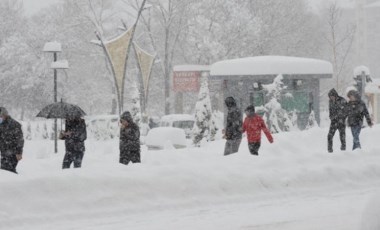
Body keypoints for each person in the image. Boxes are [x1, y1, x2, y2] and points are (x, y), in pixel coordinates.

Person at [0, 107, 24, 173]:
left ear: (5, 115)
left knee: (8, 170)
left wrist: (19, 152)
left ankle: (14, 182)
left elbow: (20, 140)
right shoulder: (1, 125)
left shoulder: (14, 125)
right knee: (5, 170)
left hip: (13, 153)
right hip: (4, 152)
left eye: (0, 116)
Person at [327, 88, 347, 153]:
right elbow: (330, 111)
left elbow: (347, 111)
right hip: (333, 122)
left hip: (341, 122)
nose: (331, 98)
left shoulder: (342, 100)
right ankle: (330, 150)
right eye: (330, 97)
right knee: (329, 136)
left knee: (342, 137)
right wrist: (331, 117)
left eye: (332, 96)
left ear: (335, 95)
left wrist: (342, 118)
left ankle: (343, 150)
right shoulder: (330, 102)